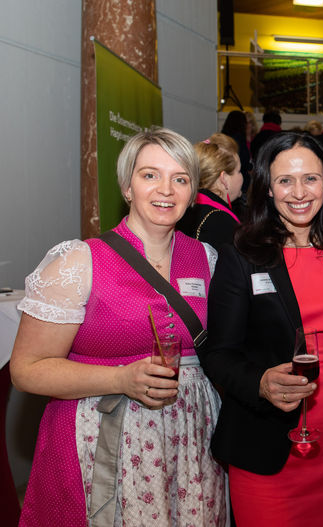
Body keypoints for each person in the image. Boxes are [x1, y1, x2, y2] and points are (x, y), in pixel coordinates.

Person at [11, 128, 226, 526]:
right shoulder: (79, 262)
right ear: (127, 186)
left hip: (191, 441)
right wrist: (121, 378)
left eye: (180, 178)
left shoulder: (208, 259)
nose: (166, 189)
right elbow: (27, 369)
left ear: (193, 192)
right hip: (102, 438)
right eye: (150, 175)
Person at [200, 132, 323, 527]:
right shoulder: (241, 255)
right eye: (285, 180)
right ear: (266, 187)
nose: (299, 192)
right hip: (268, 444)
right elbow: (219, 353)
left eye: (310, 178)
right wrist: (259, 382)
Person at [177, 133, 243, 249]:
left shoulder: (183, 208)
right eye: (239, 171)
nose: (242, 176)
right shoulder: (222, 223)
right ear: (224, 179)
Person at [221, 110, 253, 191]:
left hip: (224, 179)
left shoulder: (222, 138)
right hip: (240, 181)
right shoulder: (239, 139)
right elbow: (244, 160)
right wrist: (251, 167)